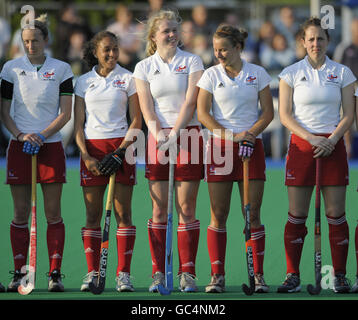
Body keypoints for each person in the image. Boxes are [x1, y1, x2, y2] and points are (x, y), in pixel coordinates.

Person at [277, 17, 356, 293]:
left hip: (333, 146)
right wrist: (311, 138)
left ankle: (339, 276)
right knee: (297, 214)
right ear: (302, 42)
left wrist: (332, 139)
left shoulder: (343, 72)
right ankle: (292, 275)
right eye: (310, 39)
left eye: (320, 39)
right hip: (302, 146)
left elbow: (349, 114)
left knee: (336, 213)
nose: (315, 44)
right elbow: (284, 115)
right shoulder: (290, 73)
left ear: (328, 41)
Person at [197, 24, 274, 293]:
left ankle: (259, 275)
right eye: (215, 49)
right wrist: (230, 136)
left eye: (224, 49)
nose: (218, 54)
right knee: (218, 214)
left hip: (251, 146)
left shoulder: (258, 73)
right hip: (220, 148)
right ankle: (217, 275)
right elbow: (204, 114)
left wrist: (249, 134)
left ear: (238, 48)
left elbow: (267, 114)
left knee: (252, 213)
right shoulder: (210, 75)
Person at [0, 14, 73, 292]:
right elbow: (4, 112)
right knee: (20, 214)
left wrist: (42, 136)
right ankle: (20, 273)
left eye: (36, 41)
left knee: (53, 213)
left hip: (50, 146)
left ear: (46, 40)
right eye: (26, 41)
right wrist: (21, 135)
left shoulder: (62, 69)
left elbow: (66, 113)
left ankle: (55, 274)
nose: (30, 46)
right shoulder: (10, 68)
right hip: (20, 146)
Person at [133, 9, 204, 293]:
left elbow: (190, 102)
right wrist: (159, 134)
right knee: (159, 209)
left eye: (175, 30)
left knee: (186, 208)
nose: (172, 35)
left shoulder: (192, 61)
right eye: (166, 31)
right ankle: (159, 273)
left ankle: (188, 273)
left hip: (187, 134)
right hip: (157, 137)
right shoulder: (143, 67)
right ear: (154, 36)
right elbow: (146, 106)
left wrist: (175, 133)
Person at [73, 31, 141, 292]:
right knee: (93, 214)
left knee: (124, 213)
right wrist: (86, 155)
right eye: (106, 50)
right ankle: (92, 272)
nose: (112, 54)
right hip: (92, 148)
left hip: (121, 147)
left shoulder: (128, 78)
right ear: (95, 52)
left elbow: (136, 120)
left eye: (115, 49)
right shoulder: (83, 81)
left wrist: (121, 151)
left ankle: (123, 274)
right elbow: (78, 124)